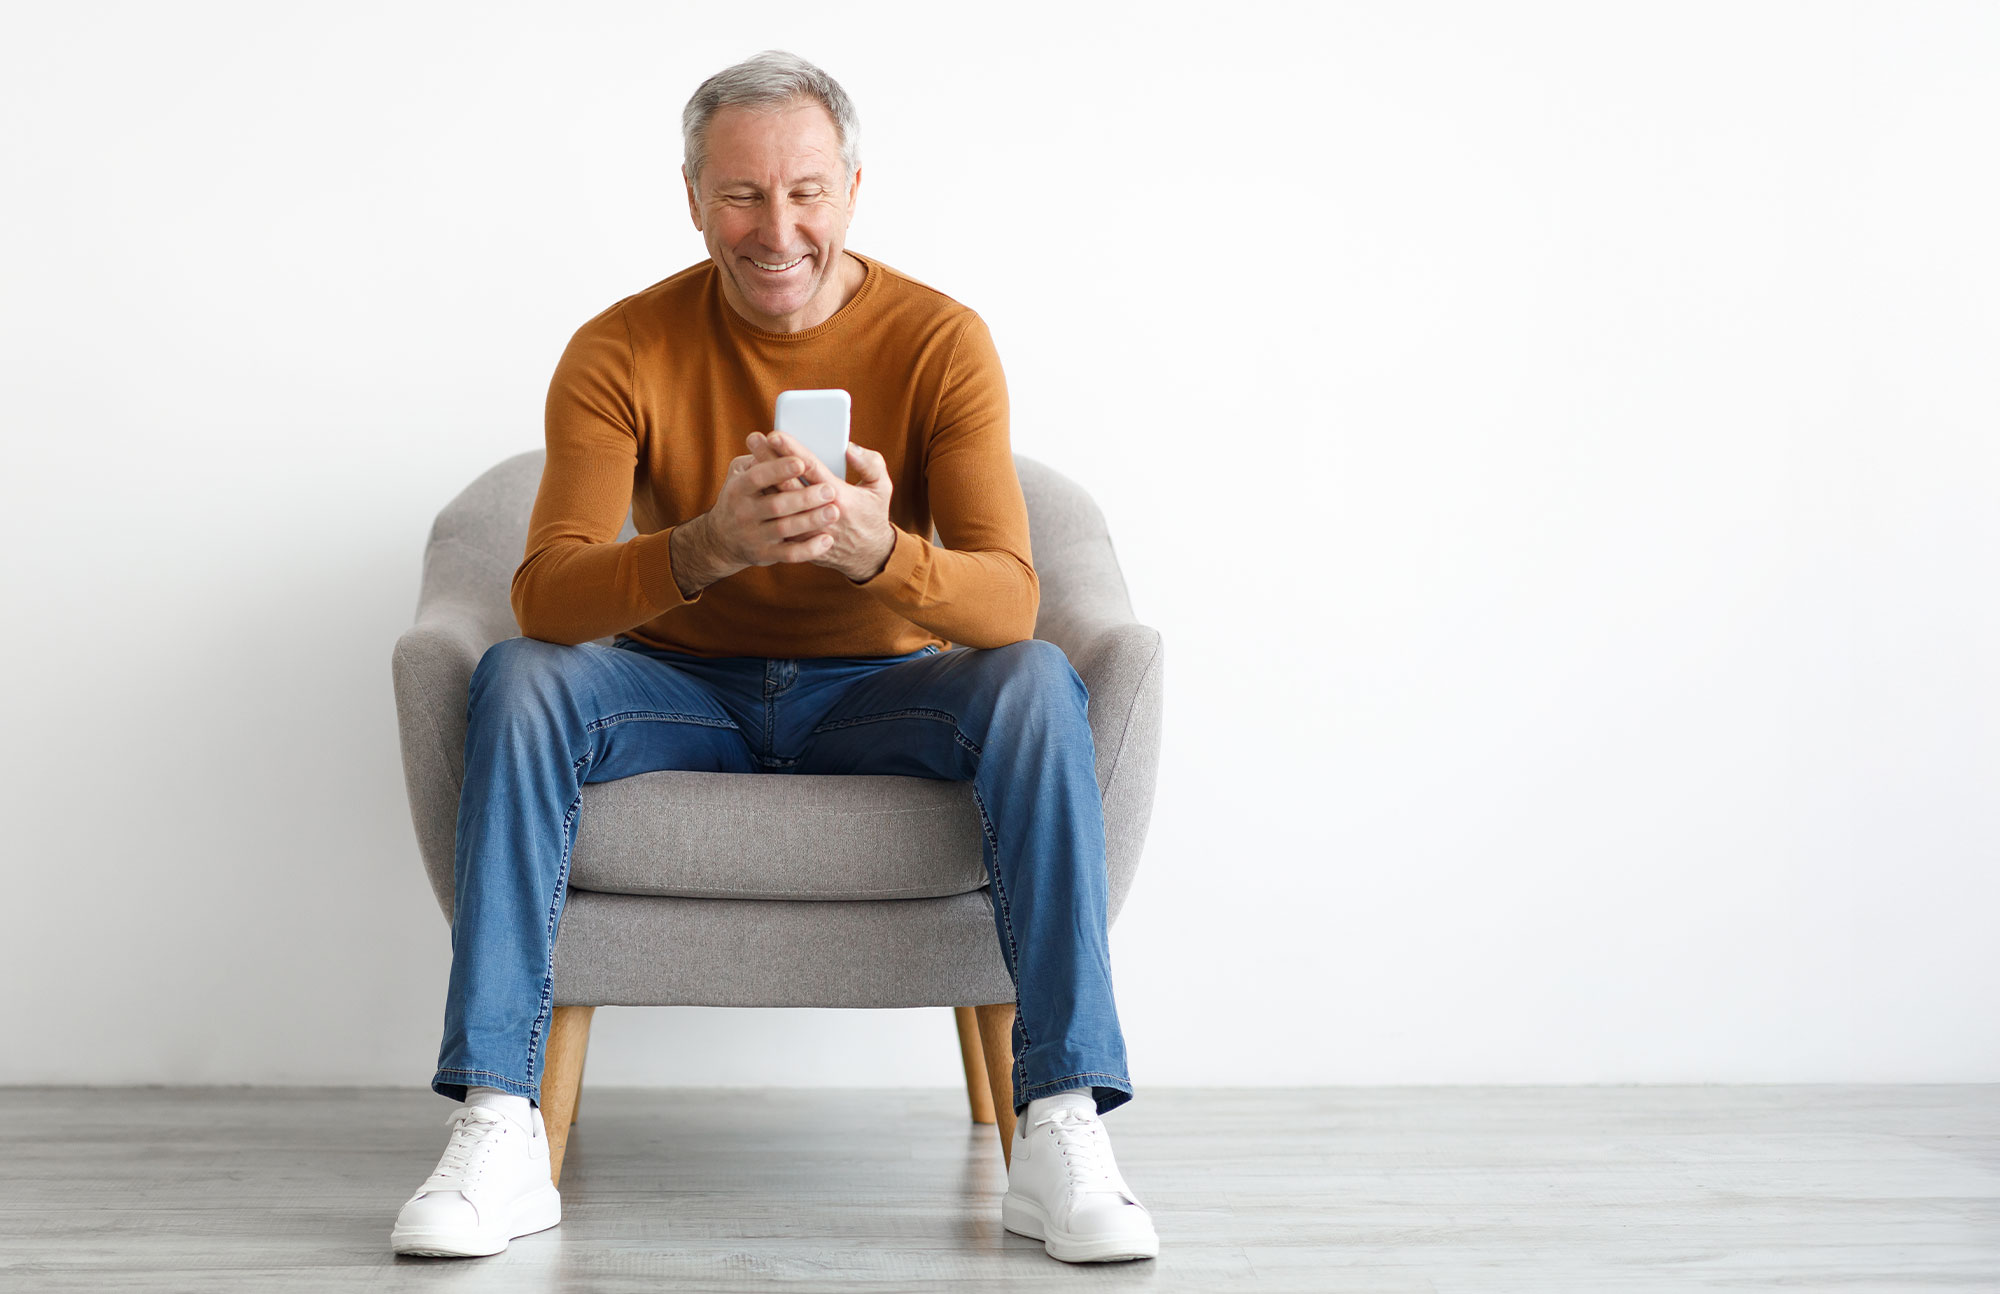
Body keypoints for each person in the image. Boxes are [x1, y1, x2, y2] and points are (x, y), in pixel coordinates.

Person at [388, 50, 1158, 1266]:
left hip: (879, 692)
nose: (776, 228)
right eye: (741, 194)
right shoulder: (618, 347)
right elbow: (543, 592)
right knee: (519, 676)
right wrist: (699, 549)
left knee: (1035, 683)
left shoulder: (941, 340)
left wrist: (876, 555)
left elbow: (1009, 601)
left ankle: (1059, 1124)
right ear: (693, 199)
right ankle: (499, 1120)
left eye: (805, 190)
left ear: (854, 188)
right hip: (671, 689)